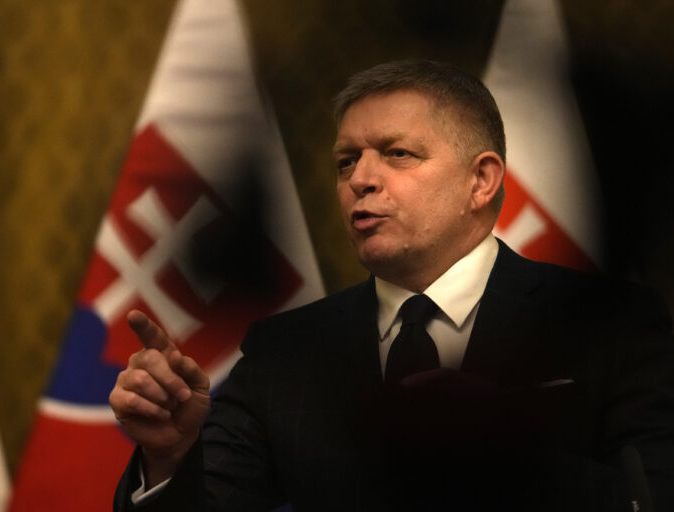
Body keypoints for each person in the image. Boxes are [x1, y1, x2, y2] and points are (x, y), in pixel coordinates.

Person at [110, 60, 674, 511]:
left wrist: (507, 450)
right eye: (346, 162)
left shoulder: (613, 325)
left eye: (397, 154)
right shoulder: (283, 352)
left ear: (481, 181)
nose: (360, 179)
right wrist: (173, 456)